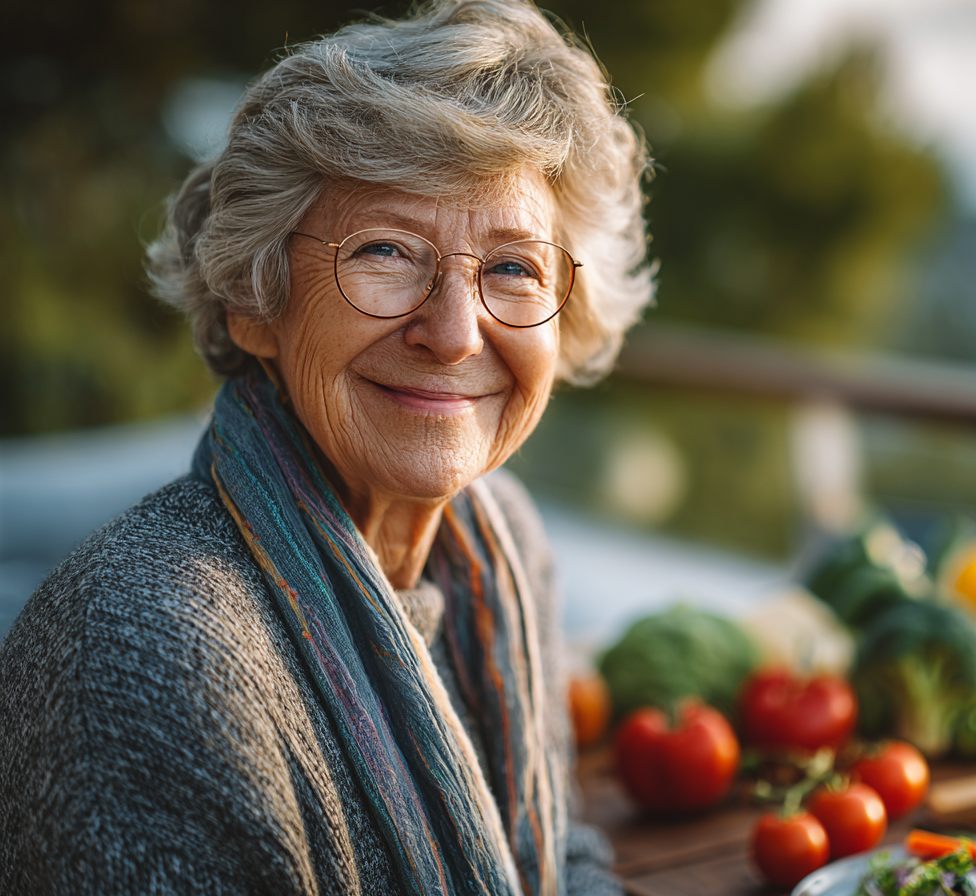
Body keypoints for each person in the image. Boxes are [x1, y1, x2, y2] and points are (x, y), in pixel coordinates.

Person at [0, 2, 652, 893]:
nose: (454, 333)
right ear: (253, 301)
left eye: (512, 267)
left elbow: (557, 854)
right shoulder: (146, 649)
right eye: (386, 252)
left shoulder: (503, 548)